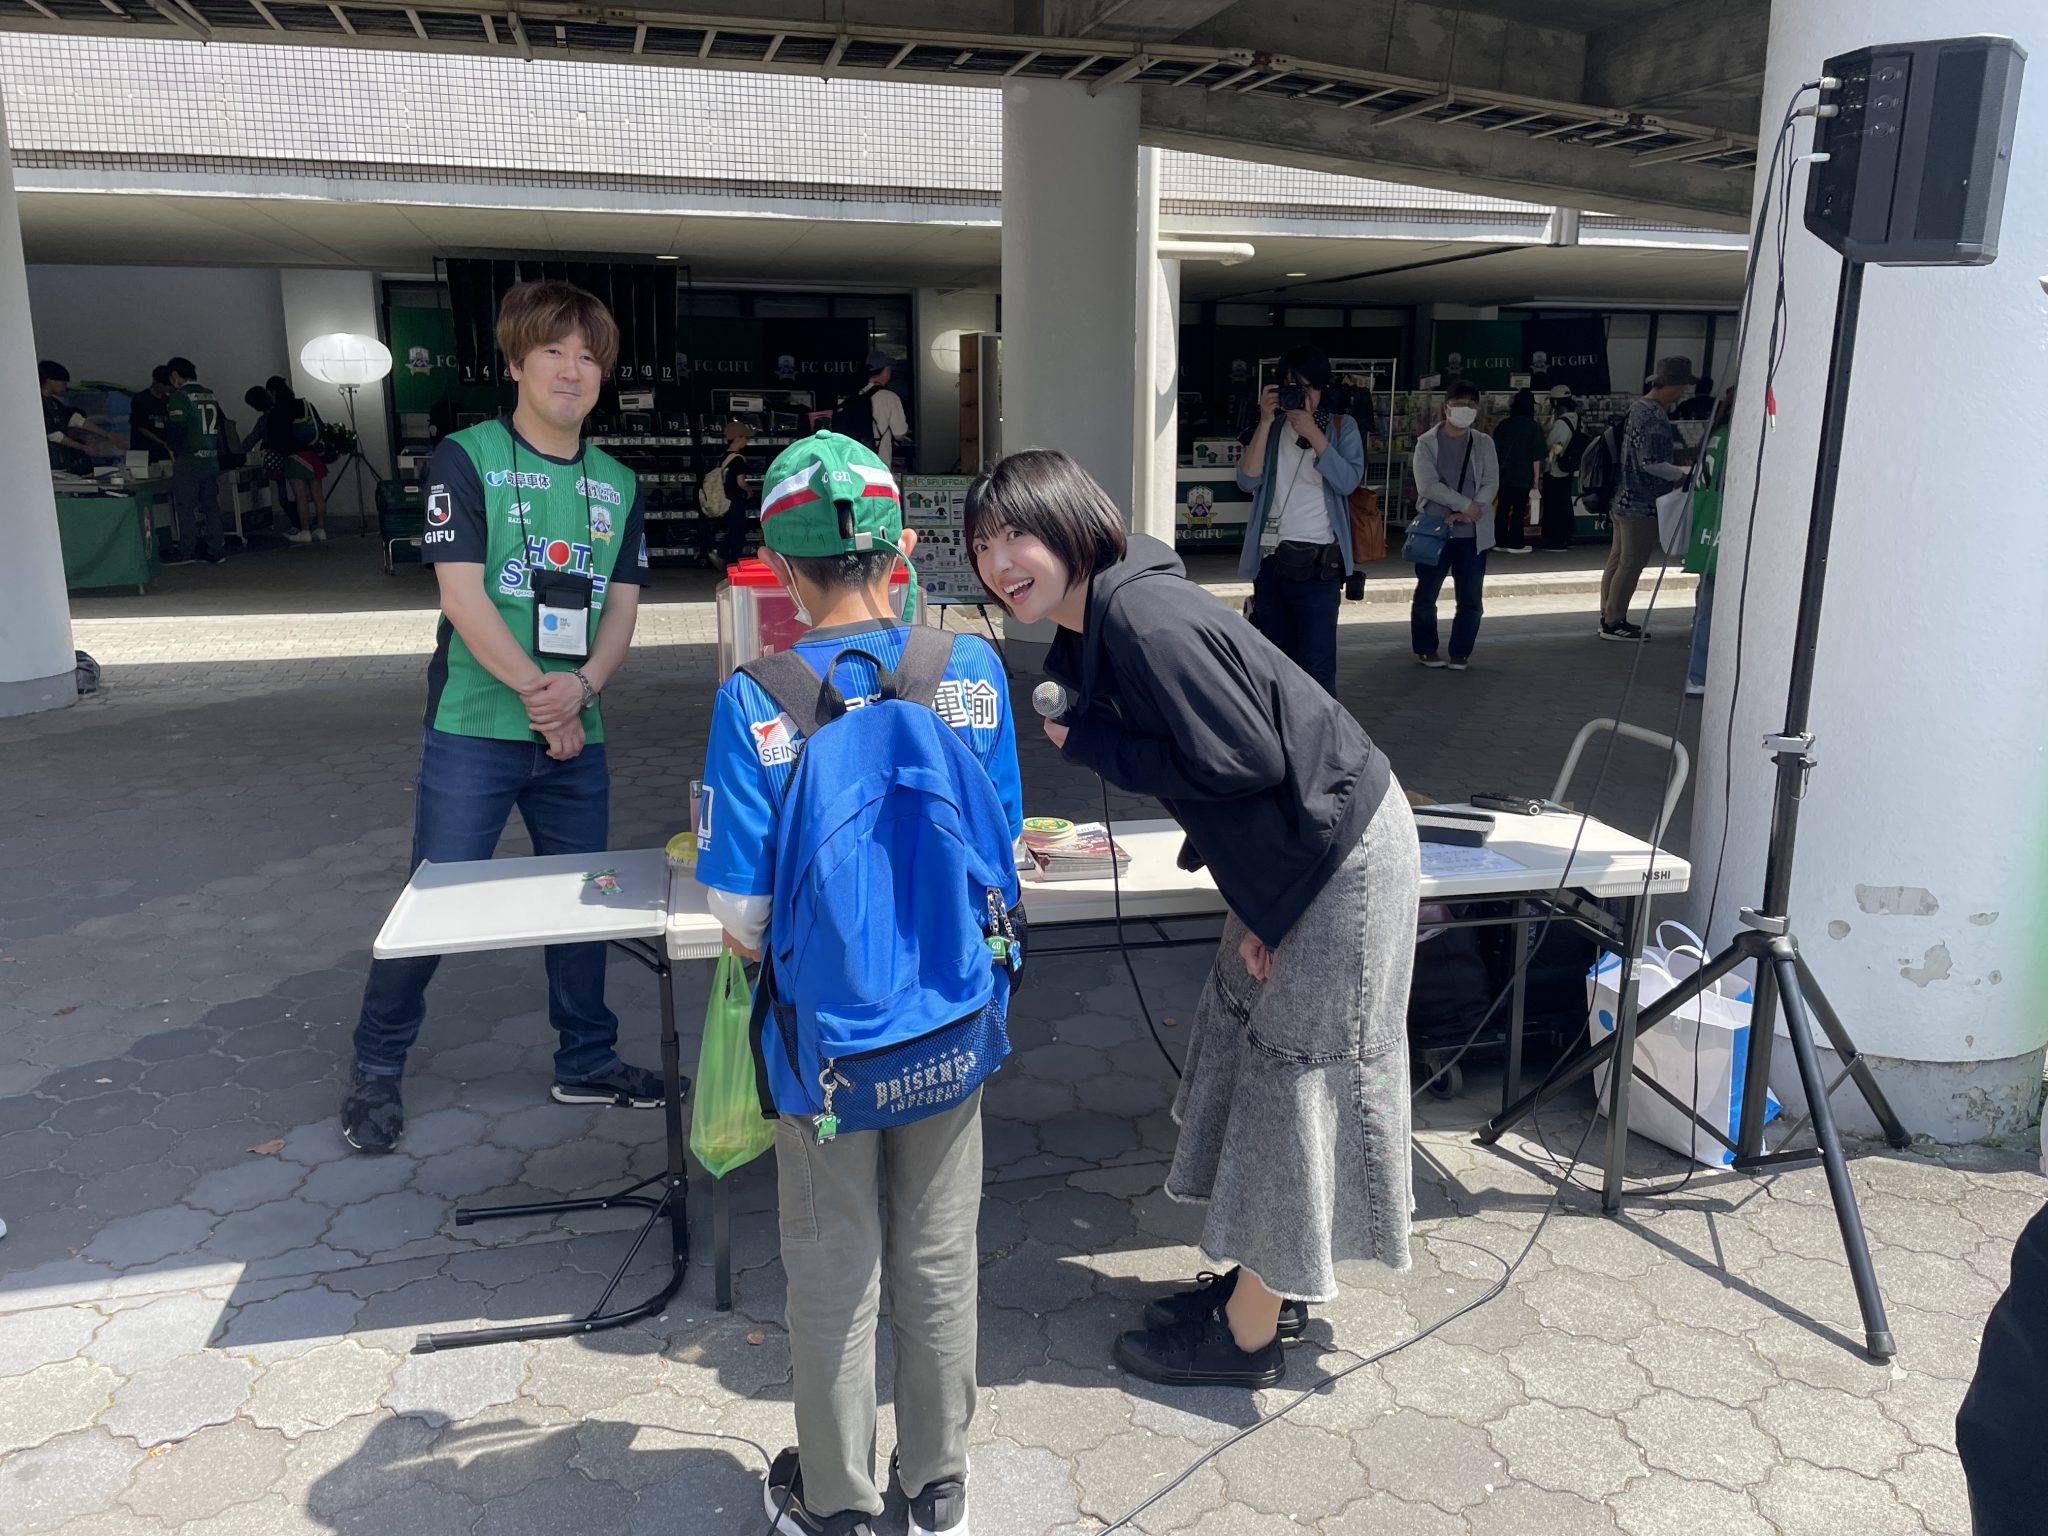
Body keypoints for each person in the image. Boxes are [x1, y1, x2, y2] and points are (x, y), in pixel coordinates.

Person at [968, 449, 1417, 1393]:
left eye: (1017, 535)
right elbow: (1235, 771)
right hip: (1302, 857)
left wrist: (1101, 743)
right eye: (982, 545)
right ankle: (1259, 1289)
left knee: (1294, 1079)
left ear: (1071, 524)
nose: (999, 562)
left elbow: (1243, 759)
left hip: (1342, 857)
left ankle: (1249, 1339)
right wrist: (1260, 902)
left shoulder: (1142, 616)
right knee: (1256, 1055)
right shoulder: (1106, 616)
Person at [698, 430, 1021, 1536]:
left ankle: (835, 1501)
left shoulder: (757, 699)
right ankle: (937, 1487)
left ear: (781, 573)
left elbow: (741, 913)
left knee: (835, 1265)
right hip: (952, 1023)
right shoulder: (969, 673)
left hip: (822, 1050)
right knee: (939, 1250)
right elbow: (1001, 852)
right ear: (905, 552)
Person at [342, 281, 658, 1155]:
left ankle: (586, 1058)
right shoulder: (467, 456)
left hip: (577, 725)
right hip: (476, 726)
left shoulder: (619, 482)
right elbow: (462, 596)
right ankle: (376, 1064)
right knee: (433, 902)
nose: (572, 371)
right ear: (515, 362)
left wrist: (582, 690)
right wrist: (542, 695)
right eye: (553, 352)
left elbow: (623, 608)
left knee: (586, 905)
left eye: (588, 357)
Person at [1233, 344, 1367, 695]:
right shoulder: (1273, 428)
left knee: (1317, 665)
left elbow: (1348, 482)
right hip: (1272, 562)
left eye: (1310, 387)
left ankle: (1320, 730)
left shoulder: (1342, 427)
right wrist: (1265, 422)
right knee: (1275, 662)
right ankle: (1280, 726)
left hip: (1320, 566)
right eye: (1293, 386)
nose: (1302, 396)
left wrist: (1314, 433)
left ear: (1323, 389)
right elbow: (1247, 480)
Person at [1601, 356, 1696, 641]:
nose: (1683, 393)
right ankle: (1615, 622)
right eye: (1683, 386)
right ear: (1673, 384)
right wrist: (1679, 475)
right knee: (1631, 565)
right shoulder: (1654, 415)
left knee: (1617, 561)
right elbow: (1651, 461)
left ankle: (1606, 615)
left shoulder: (1638, 407)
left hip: (1622, 498)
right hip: (1642, 504)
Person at [1409, 380, 1499, 671]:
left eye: (1471, 405)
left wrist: (1471, 511)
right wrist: (1464, 505)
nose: (1465, 410)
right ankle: (1426, 649)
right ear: (1445, 408)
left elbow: (1491, 482)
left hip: (1472, 532)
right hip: (1434, 530)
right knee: (1426, 594)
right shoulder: (1427, 443)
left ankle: (1461, 652)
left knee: (1470, 598)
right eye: (1459, 405)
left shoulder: (1483, 443)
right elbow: (1428, 485)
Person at [1684, 387, 1734, 697]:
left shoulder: (1714, 434)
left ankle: (1697, 673)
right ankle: (1703, 674)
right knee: (1719, 608)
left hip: (1707, 530)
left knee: (1705, 608)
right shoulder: (1737, 439)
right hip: (1727, 531)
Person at [163, 355, 227, 566]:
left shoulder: (180, 397)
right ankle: (216, 549)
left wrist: (172, 449)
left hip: (190, 458)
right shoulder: (209, 394)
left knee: (185, 506)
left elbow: (178, 427)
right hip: (211, 458)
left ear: (175, 375)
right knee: (211, 505)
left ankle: (187, 550)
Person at [266, 377, 330, 542]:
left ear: (272, 392)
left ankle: (305, 531)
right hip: (313, 455)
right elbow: (320, 425)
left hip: (294, 457)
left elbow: (274, 439)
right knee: (318, 495)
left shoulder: (276, 411)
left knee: (300, 497)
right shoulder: (305, 404)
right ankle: (321, 529)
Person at [1488, 387, 1546, 555]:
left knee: (1502, 508)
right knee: (1519, 510)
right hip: (1523, 475)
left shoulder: (1504, 425)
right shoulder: (1533, 427)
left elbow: (1495, 450)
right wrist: (1536, 480)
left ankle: (1499, 540)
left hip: (1504, 475)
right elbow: (1536, 456)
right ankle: (1516, 542)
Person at [39, 360, 122, 475]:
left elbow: (78, 420)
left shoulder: (55, 403)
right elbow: (54, 435)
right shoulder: (39, 404)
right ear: (49, 381)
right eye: (63, 382)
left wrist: (109, 435)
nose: (65, 387)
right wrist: (85, 448)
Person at [831, 351, 911, 467]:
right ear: (885, 370)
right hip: (878, 463)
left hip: (854, 462)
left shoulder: (857, 395)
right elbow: (899, 434)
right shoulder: (890, 397)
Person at [707, 418, 756, 567]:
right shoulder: (738, 459)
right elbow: (740, 482)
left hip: (724, 500)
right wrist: (749, 490)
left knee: (735, 529)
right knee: (738, 531)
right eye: (745, 437)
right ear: (738, 438)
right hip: (735, 500)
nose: (747, 440)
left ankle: (721, 554)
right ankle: (729, 560)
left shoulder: (723, 457)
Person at [1538, 387, 1581, 551]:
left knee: (1554, 505)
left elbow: (1552, 446)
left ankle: (1555, 539)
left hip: (1555, 469)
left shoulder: (1561, 423)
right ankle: (1567, 536)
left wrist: (1545, 468)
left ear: (1556, 402)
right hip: (1567, 468)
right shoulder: (1576, 419)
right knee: (1564, 502)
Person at [130, 366, 175, 464]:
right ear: (155, 382)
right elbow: (141, 427)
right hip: (143, 451)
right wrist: (162, 442)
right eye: (165, 385)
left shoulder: (168, 401)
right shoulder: (140, 399)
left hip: (163, 452)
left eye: (169, 386)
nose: (167, 389)